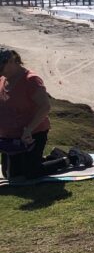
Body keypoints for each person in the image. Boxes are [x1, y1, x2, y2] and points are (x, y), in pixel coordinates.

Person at [0, 48, 52, 180]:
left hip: (32, 134)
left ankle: (69, 159)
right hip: (9, 136)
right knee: (9, 173)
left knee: (29, 172)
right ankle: (40, 159)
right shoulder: (3, 79)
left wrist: (29, 129)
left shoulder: (31, 80)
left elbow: (45, 106)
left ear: (12, 61)